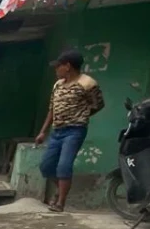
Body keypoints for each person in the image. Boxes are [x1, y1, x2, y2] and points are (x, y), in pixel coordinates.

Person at [35, 49, 105, 212]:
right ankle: (60, 189)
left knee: (64, 166)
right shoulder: (58, 85)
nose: (56, 70)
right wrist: (43, 131)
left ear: (67, 66)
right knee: (46, 166)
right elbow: (52, 109)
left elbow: (98, 104)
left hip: (75, 130)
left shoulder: (87, 84)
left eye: (58, 66)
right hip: (57, 131)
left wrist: (81, 116)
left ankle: (60, 202)